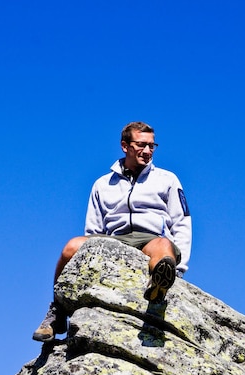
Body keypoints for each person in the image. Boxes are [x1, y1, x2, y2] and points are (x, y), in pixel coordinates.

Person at [32, 121, 192, 342]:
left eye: (152, 146)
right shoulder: (102, 184)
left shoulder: (167, 179)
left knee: (164, 248)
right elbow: (93, 228)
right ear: (125, 146)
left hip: (149, 237)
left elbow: (181, 221)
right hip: (112, 239)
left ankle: (160, 286)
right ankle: (58, 312)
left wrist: (180, 268)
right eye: (141, 145)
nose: (147, 151)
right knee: (71, 247)